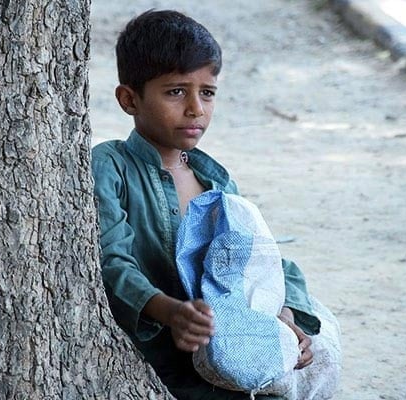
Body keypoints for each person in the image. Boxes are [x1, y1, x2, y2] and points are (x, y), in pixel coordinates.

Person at [91, 9, 341, 399]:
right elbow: (110, 261)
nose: (196, 108)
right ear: (129, 99)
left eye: (206, 92)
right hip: (160, 355)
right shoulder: (111, 165)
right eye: (176, 91)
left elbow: (265, 260)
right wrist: (169, 311)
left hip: (230, 348)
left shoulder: (216, 181)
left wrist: (287, 317)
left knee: (319, 344)